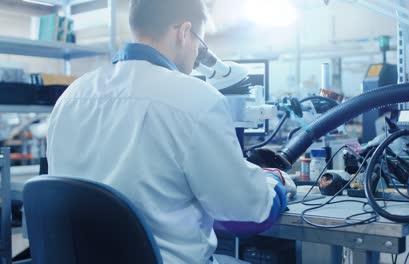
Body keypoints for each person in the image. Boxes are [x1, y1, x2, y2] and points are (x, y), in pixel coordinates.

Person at [46, 0, 296, 263]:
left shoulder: (72, 95)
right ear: (184, 32)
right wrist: (275, 181)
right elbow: (247, 215)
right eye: (200, 42)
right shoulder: (195, 98)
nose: (197, 53)